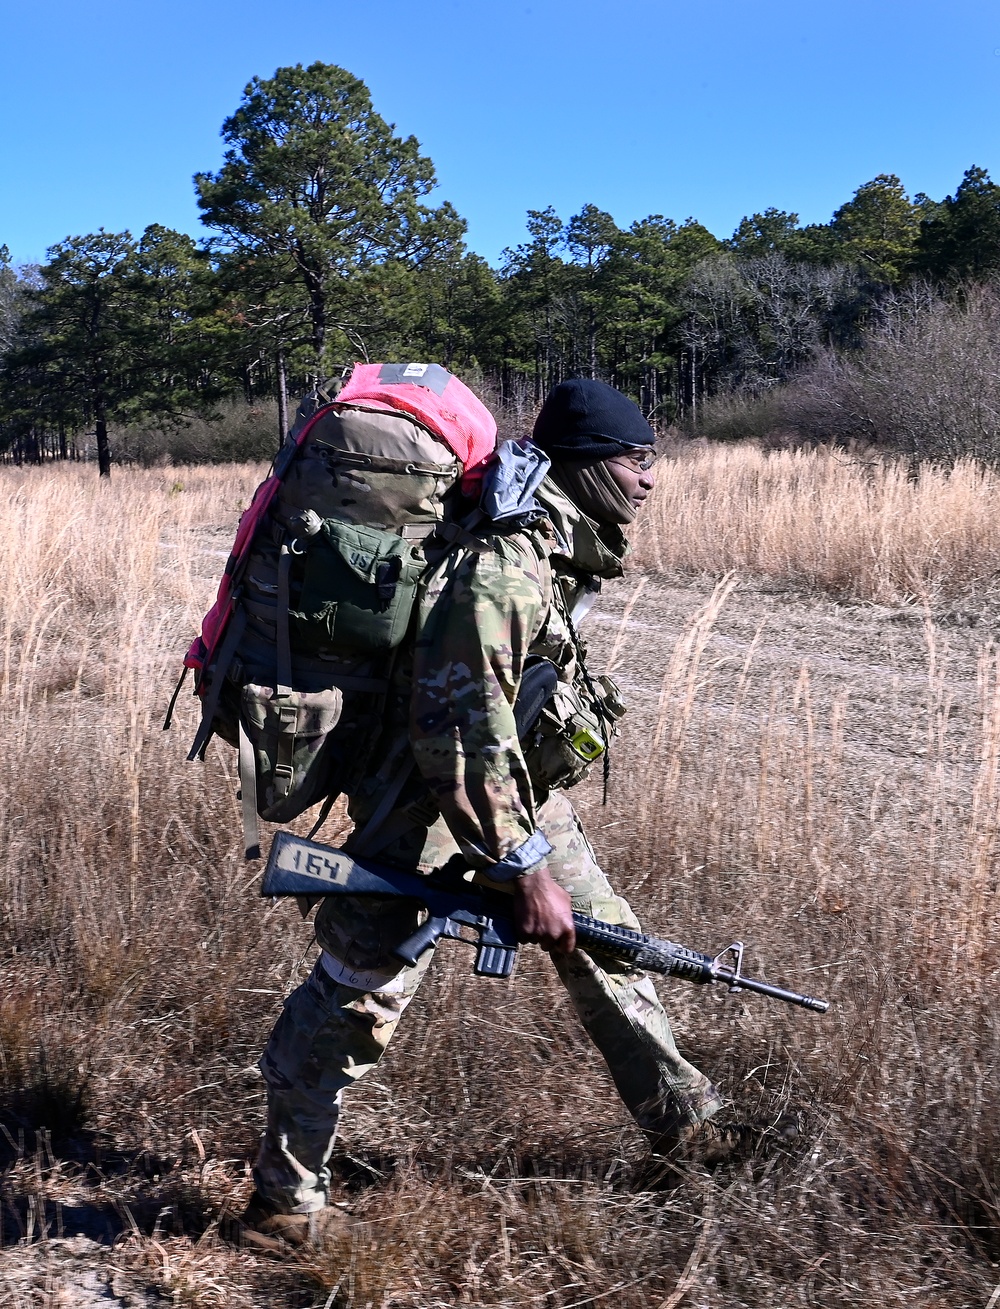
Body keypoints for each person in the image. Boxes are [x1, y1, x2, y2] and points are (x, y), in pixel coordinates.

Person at [230, 378, 758, 1253]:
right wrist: (523, 868)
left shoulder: (546, 543)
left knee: (607, 938)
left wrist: (532, 850)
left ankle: (688, 1123)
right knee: (361, 991)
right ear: (588, 464)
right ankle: (283, 1201)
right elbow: (459, 726)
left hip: (508, 798)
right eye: (637, 461)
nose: (648, 480)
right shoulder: (508, 566)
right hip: (432, 809)